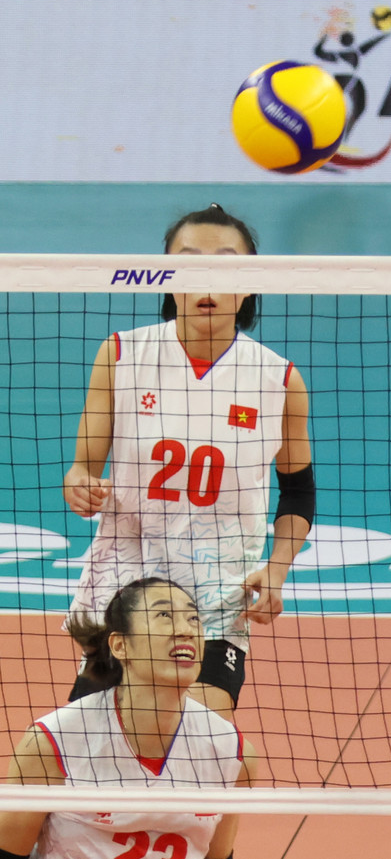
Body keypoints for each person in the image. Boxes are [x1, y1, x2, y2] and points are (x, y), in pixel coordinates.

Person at [62, 204, 315, 719]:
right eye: (190, 262)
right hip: (126, 583)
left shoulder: (278, 380)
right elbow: (83, 467)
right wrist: (80, 483)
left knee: (199, 738)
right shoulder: (121, 355)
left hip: (215, 596)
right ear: (165, 274)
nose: (207, 281)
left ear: (250, 283)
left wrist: (277, 568)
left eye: (225, 265)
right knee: (96, 741)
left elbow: (298, 491)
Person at [0, 577, 256, 859]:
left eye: (193, 617)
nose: (186, 630)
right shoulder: (53, 742)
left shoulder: (231, 753)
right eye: (164, 615)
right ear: (120, 645)